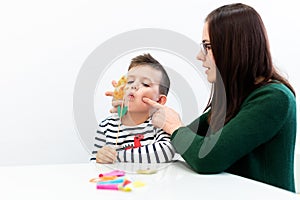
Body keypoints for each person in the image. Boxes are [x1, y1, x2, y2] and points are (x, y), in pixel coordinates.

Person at [108, 3, 297, 192]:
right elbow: (183, 143)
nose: (200, 55)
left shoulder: (274, 99)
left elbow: (205, 157)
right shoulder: (235, 98)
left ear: (234, 47)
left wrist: (174, 126)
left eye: (207, 46)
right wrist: (133, 114)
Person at [91, 53, 175, 164]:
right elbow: (92, 164)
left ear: (159, 101)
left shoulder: (159, 124)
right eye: (130, 81)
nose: (133, 86)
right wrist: (99, 158)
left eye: (145, 84)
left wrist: (116, 157)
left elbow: (166, 151)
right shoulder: (106, 126)